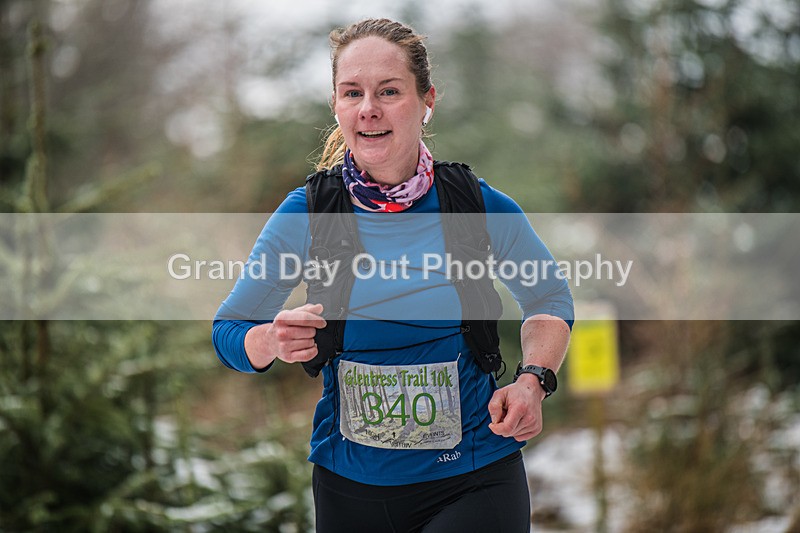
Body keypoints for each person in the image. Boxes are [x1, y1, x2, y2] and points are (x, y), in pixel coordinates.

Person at [213, 18, 573, 533]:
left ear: (427, 101)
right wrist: (268, 340)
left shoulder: (475, 206)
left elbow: (549, 298)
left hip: (474, 477)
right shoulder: (308, 215)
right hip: (350, 487)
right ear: (336, 106)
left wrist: (533, 380)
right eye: (351, 92)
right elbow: (227, 331)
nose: (369, 108)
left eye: (389, 91)